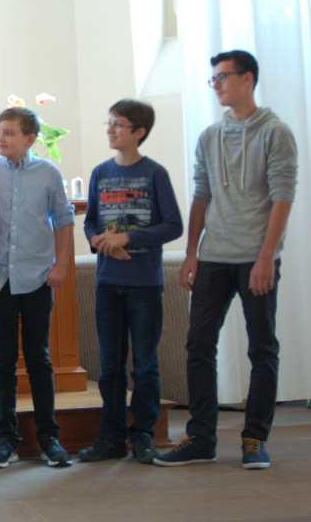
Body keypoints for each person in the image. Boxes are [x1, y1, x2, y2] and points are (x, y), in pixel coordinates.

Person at [155, 50, 297, 470]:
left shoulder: (275, 132)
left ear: (247, 79)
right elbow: (201, 195)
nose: (216, 85)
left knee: (262, 348)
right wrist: (192, 252)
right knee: (199, 345)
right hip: (214, 256)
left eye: (223, 77)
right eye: (212, 79)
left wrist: (266, 256)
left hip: (256, 258)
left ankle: (255, 439)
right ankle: (201, 438)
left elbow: (282, 196)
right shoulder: (209, 136)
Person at [0, 107, 76, 469]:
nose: (1, 138)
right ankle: (6, 439)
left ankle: (49, 437)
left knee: (39, 358)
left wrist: (60, 264)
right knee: (2, 359)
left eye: (9, 133)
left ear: (29, 139)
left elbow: (65, 219)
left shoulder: (48, 173)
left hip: (37, 277)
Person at [80, 99, 183, 465]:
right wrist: (100, 241)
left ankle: (143, 435)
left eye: (118, 124)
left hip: (144, 284)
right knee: (110, 365)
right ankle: (111, 436)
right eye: (108, 123)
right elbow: (91, 222)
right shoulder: (100, 173)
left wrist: (128, 238)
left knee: (144, 365)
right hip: (108, 281)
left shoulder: (154, 173)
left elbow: (173, 225)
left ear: (139, 132)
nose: (111, 130)